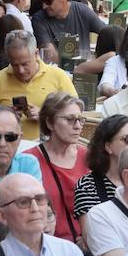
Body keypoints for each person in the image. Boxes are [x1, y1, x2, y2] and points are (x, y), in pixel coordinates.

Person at [0, 31, 79, 140]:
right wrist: (3, 116)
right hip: (7, 148)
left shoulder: (58, 76)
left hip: (48, 148)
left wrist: (45, 116)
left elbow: (76, 117)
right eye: (15, 65)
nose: (20, 70)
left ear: (36, 54)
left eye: (25, 64)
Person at [24, 92, 90, 244]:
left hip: (85, 246)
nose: (78, 126)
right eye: (70, 119)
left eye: (80, 120)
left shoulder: (88, 158)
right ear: (49, 123)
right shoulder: (29, 160)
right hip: (44, 243)